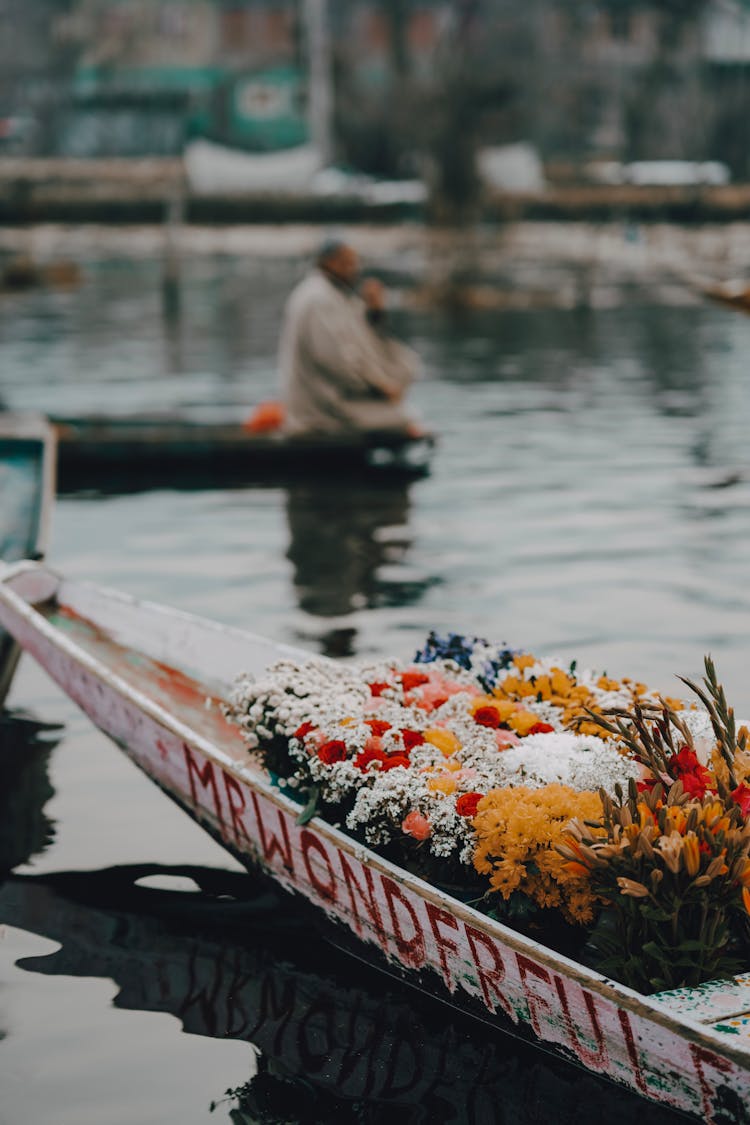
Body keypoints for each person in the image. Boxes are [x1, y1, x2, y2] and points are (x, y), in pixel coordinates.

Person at [278, 238, 421, 436]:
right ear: (329, 262)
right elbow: (334, 360)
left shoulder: (335, 295)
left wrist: (374, 313)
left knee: (404, 413)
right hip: (319, 409)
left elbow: (364, 343)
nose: (355, 268)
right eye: (348, 262)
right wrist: (377, 388)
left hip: (335, 399)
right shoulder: (318, 298)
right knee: (404, 418)